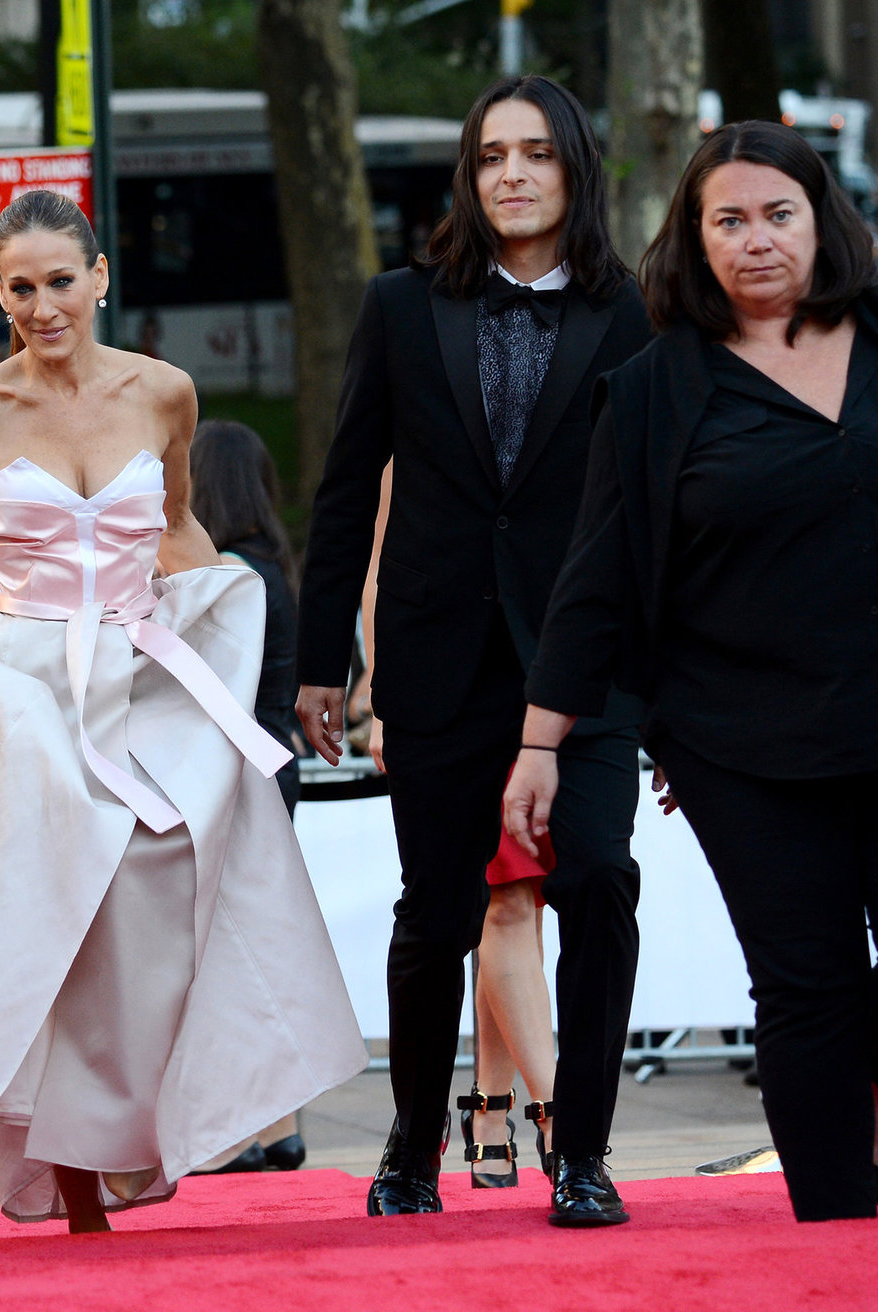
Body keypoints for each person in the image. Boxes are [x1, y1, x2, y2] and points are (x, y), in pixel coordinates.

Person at [0, 189, 367, 1233]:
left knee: (151, 905)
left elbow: (181, 526)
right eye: (21, 286)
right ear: (2, 291)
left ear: (101, 277)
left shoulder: (165, 393)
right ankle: (68, 1183)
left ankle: (137, 1127)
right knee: (41, 923)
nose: (42, 303)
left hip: (142, 672)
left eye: (61, 280)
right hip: (24, 686)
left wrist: (245, 613)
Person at [504, 120, 878, 1222]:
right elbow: (596, 580)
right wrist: (542, 742)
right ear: (695, 239)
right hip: (740, 736)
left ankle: (877, 1077)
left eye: (779, 215)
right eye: (729, 220)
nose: (756, 240)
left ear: (825, 225)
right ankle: (833, 1243)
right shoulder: (650, 391)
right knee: (804, 984)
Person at [294, 74, 650, 1225]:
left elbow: (661, 513)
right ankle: (409, 1142)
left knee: (597, 881)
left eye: (536, 153)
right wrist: (321, 663)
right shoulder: (401, 307)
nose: (511, 172)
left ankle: (580, 1150)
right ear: (470, 172)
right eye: (492, 153)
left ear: (574, 170)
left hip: (586, 661)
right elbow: (347, 492)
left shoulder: (634, 313)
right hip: (438, 653)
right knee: (436, 910)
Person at [359, 465, 558, 1189]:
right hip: (451, 695)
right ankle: (551, 1112)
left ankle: (489, 1109)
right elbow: (380, 568)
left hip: (542, 687)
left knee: (517, 907)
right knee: (502, 902)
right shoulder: (412, 431)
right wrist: (384, 696)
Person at [186, 418, 309, 1174]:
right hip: (276, 762)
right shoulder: (273, 567)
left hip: (229, 769)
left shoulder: (224, 575)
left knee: (220, 954)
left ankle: (232, 1133)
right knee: (263, 945)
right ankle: (280, 1125)